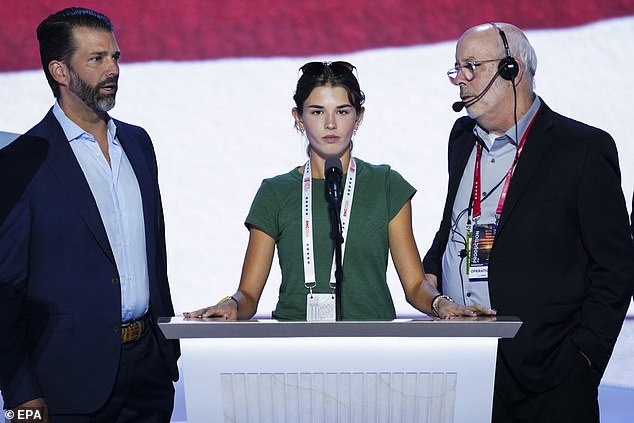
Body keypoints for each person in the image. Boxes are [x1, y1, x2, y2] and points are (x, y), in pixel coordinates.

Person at [423, 22, 634, 423]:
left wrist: (584, 359)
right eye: (456, 69)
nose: (459, 81)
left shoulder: (583, 148)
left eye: (470, 66)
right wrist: (432, 274)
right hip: (464, 365)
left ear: (511, 70)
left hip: (548, 374)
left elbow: (616, 267)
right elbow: (456, 221)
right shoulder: (462, 137)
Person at [185, 61, 494, 321]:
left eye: (342, 111)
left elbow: (414, 285)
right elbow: (249, 295)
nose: (330, 124)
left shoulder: (386, 185)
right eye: (317, 112)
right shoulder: (275, 192)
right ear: (299, 118)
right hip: (294, 351)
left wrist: (443, 304)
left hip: (371, 350)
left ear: (358, 117)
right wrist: (231, 305)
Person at [0, 7, 179, 422]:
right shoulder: (22, 160)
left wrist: (168, 351)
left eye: (115, 57)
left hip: (150, 371)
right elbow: (5, 287)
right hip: (67, 383)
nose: (112, 68)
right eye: (96, 59)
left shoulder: (137, 144)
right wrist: (20, 392)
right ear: (60, 71)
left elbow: (156, 252)